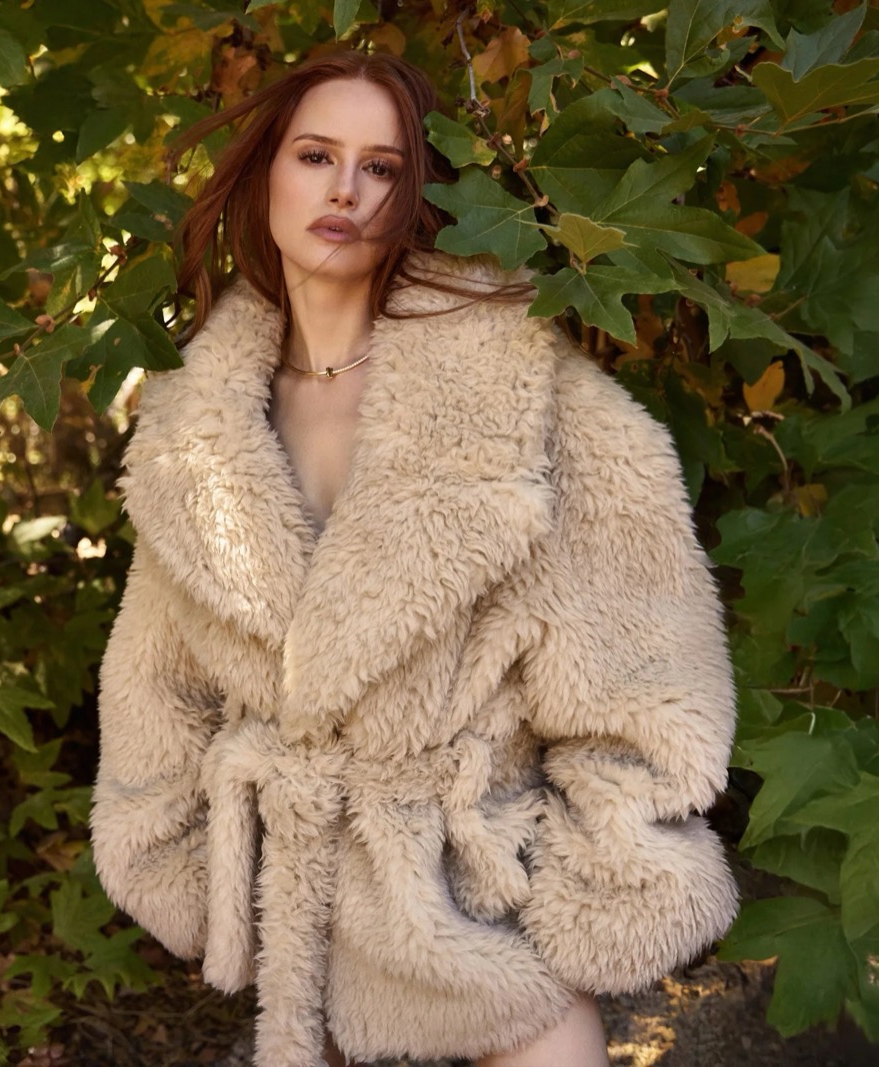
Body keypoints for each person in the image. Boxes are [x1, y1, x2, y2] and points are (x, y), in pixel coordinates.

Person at [89, 50, 739, 1067]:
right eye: (315, 155)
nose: (344, 189)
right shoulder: (196, 421)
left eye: (381, 166)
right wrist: (177, 856)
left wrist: (574, 884)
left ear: (416, 194)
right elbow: (154, 682)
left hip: (479, 912)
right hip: (299, 929)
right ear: (266, 172)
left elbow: (645, 671)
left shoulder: (524, 394)